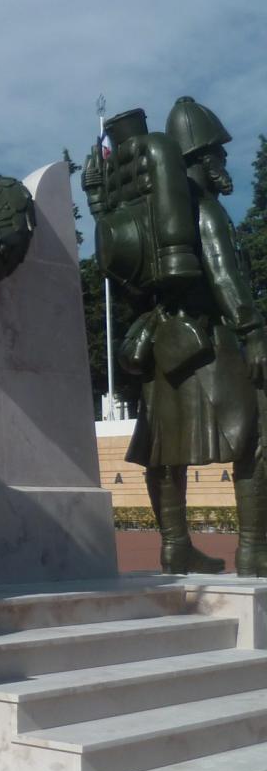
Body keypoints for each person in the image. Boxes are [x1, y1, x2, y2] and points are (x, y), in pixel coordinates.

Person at [114, 98, 267, 574]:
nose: (223, 163)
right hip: (209, 339)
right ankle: (255, 550)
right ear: (200, 158)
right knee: (257, 440)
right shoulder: (206, 212)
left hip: (161, 343)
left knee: (162, 453)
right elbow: (225, 277)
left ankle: (176, 545)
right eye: (218, 154)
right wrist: (255, 332)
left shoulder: (152, 222)